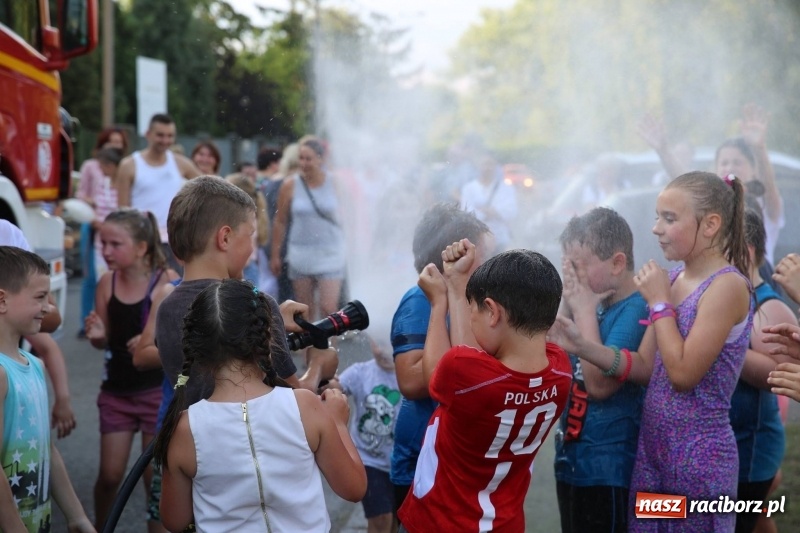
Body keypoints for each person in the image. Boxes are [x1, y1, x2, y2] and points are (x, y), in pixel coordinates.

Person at [549, 171, 752, 532]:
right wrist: (584, 347)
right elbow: (644, 367)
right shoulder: (673, 279)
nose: (656, 228)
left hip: (698, 460)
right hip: (653, 453)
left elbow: (683, 374)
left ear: (710, 225)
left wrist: (659, 304)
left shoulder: (727, 286)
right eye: (658, 217)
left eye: (669, 219)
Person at [154, 279, 367, 531]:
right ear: (268, 336)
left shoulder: (184, 428)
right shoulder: (304, 406)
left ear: (198, 349)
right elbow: (354, 488)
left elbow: (174, 520)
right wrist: (339, 423)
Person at [398, 241, 572, 532]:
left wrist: (439, 303)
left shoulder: (463, 374)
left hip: (437, 523)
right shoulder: (560, 371)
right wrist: (457, 284)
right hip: (504, 523)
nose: (469, 316)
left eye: (472, 310)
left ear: (492, 312)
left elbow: (440, 374)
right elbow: (473, 362)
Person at [389, 203, 491, 519]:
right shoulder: (419, 300)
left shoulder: (475, 300)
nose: (492, 263)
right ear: (454, 257)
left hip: (459, 457)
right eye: (484, 255)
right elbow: (409, 380)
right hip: (422, 459)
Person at [83, 208, 178, 531]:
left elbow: (173, 337)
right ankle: (100, 526)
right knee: (110, 476)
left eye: (115, 244)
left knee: (155, 479)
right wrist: (98, 337)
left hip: (154, 392)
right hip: (116, 393)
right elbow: (105, 338)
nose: (106, 251)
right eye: (102, 243)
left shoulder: (164, 283)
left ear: (141, 247)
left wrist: (152, 337)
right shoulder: (107, 283)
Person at [554, 208, 648, 533]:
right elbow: (552, 354)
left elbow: (598, 385)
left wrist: (581, 309)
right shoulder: (594, 305)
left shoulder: (636, 307)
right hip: (572, 460)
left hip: (609, 468)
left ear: (617, 263)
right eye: (567, 266)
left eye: (578, 266)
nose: (573, 278)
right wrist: (570, 301)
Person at [0, 246, 94, 533]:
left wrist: (76, 516)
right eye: (40, 297)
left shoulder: (35, 366)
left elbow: (46, 448)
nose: (48, 307)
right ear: (2, 300)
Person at [729, 209, 796, 533]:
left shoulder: (769, 307)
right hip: (726, 449)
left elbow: (780, 375)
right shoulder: (722, 300)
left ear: (745, 252)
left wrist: (716, 339)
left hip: (750, 451)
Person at [0, 221, 76, 439]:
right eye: (39, 298)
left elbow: (50, 324)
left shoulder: (6, 232)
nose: (45, 306)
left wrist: (63, 398)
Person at [328, 337, 401, 533]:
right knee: (380, 519)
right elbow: (335, 388)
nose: (384, 350)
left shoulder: (409, 375)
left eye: (389, 342)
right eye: (379, 342)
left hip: (402, 462)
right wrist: (326, 373)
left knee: (395, 520)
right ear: (370, 341)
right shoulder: (361, 372)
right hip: (369, 461)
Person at [271, 137, 346, 319]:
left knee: (329, 308)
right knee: (306, 310)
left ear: (320, 159)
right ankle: (308, 348)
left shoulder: (334, 182)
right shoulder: (290, 185)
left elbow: (347, 217)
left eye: (308, 158)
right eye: (301, 158)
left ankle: (330, 348)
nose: (303, 163)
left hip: (330, 251)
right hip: (300, 252)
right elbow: (280, 221)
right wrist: (275, 254)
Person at [116, 113, 201, 271]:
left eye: (170, 136)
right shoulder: (129, 165)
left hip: (173, 243)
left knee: (173, 292)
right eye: (160, 135)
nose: (165, 140)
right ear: (148, 134)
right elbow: (122, 210)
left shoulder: (180, 163)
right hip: (141, 242)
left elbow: (209, 186)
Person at [76, 128, 129, 335]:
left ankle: (112, 321)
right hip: (95, 229)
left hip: (116, 232)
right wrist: (93, 213)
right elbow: (82, 193)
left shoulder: (126, 172)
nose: (115, 145)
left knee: (115, 277)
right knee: (93, 278)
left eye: (118, 142)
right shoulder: (92, 167)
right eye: (111, 142)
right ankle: (89, 323)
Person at [460, 151, 518, 254]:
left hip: (500, 239)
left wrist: (492, 212)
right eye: (484, 164)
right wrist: (487, 213)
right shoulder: (469, 188)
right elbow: (466, 213)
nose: (487, 167)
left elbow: (512, 210)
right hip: (477, 241)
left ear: (496, 166)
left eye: (491, 164)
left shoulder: (506, 188)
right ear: (478, 166)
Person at [262, 143, 299, 302]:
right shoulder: (290, 184)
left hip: (272, 245)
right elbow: (280, 219)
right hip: (287, 246)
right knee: (290, 298)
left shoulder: (271, 182)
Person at [225, 173, 269, 285]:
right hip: (250, 268)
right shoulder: (253, 215)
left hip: (244, 269)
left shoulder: (245, 220)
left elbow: (245, 257)